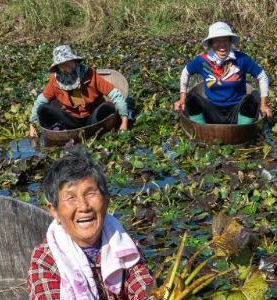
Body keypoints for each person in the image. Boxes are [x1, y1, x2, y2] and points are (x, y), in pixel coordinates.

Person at [27, 147, 153, 299]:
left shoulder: (124, 245)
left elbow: (144, 288)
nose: (84, 207)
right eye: (70, 197)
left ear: (106, 200)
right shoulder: (46, 260)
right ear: (54, 211)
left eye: (90, 193)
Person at [174, 22, 272, 124]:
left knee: (254, 97)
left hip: (237, 111)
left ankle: (243, 128)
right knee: (190, 98)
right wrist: (182, 98)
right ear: (211, 43)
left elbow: (262, 76)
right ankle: (201, 128)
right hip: (211, 111)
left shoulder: (241, 59)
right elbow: (185, 72)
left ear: (230, 42)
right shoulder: (202, 60)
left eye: (225, 40)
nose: (222, 45)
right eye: (217, 41)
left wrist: (264, 105)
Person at [29, 45, 129, 138]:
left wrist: (124, 122)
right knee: (42, 109)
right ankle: (59, 133)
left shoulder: (90, 74)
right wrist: (32, 125)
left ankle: (96, 131)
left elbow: (116, 95)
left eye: (69, 63)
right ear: (58, 68)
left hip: (92, 118)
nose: (67, 68)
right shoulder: (54, 80)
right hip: (71, 121)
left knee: (108, 106)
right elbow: (40, 101)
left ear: (75, 61)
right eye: (62, 65)